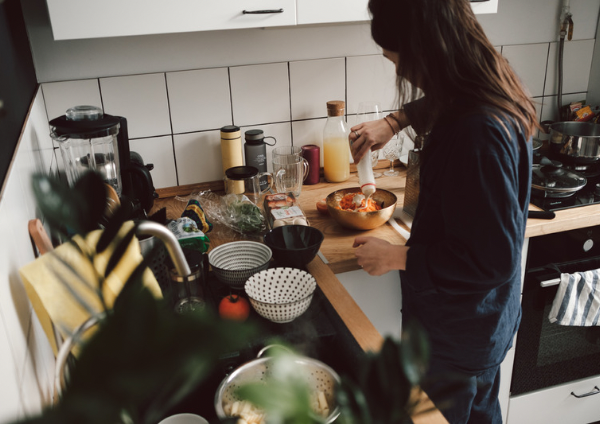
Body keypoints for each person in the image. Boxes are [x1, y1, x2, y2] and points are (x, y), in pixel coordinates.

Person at [349, 0, 539, 424]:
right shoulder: (490, 83)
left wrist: (396, 256)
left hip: (459, 335)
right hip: (481, 325)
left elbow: (491, 260)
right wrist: (395, 121)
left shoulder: (477, 131)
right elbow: (451, 98)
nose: (400, 73)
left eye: (397, 59)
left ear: (426, 50)